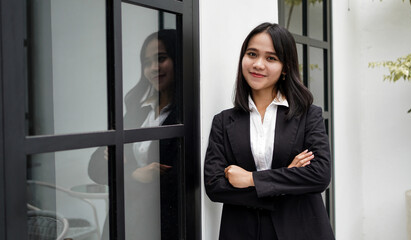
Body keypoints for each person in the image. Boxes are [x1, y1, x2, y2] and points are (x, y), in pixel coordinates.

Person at [204, 22, 335, 240]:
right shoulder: (224, 121)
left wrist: (250, 179)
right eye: (252, 54)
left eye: (271, 58)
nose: (258, 64)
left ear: (285, 67)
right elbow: (215, 186)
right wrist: (287, 180)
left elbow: (319, 175)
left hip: (300, 230)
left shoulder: (307, 115)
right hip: (241, 231)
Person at [88, 29, 180, 240]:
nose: (153, 68)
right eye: (147, 63)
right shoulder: (137, 112)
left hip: (159, 226)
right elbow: (95, 167)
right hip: (123, 222)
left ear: (177, 59)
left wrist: (120, 166)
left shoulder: (185, 117)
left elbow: (174, 181)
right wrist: (134, 174)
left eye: (161, 58)